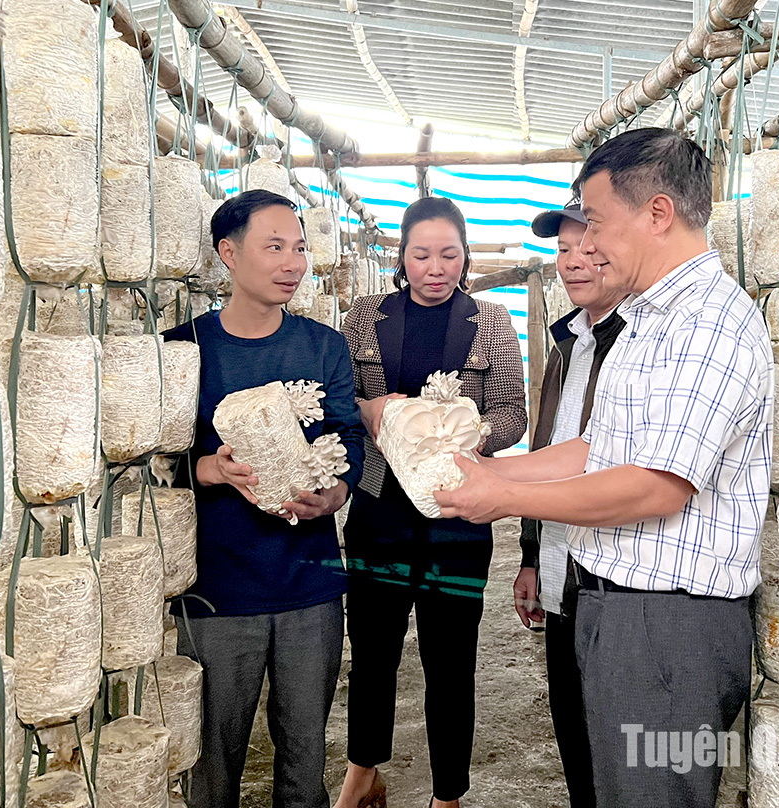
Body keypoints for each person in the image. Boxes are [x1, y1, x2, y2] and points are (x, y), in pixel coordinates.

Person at [434, 128, 774, 808]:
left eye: (595, 223)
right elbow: (599, 448)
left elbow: (656, 483)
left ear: (657, 214)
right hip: (623, 611)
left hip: (669, 629)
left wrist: (501, 495)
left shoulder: (706, 323)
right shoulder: (649, 321)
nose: (585, 245)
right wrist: (487, 472)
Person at [162, 189, 366, 808]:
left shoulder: (322, 346)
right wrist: (210, 470)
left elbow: (349, 439)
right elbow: (155, 465)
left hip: (311, 585)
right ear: (228, 253)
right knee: (214, 761)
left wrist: (334, 494)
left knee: (305, 754)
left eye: (299, 247)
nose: (293, 262)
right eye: (274, 247)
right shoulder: (182, 350)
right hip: (219, 590)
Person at [333, 197, 527, 808]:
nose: (435, 267)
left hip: (458, 516)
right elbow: (345, 403)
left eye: (448, 254)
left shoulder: (490, 321)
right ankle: (364, 770)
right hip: (377, 509)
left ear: (465, 256)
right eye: (421, 254)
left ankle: (448, 795)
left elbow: (513, 413)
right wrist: (374, 414)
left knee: (450, 664)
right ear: (402, 256)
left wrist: (454, 430)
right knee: (372, 652)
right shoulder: (362, 318)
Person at [514, 202, 627, 808]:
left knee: (622, 750)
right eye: (563, 251)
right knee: (575, 736)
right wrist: (532, 555)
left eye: (589, 248)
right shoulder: (568, 342)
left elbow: (605, 461)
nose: (574, 263)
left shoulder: (638, 340)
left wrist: (496, 489)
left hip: (613, 576)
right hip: (563, 570)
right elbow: (549, 445)